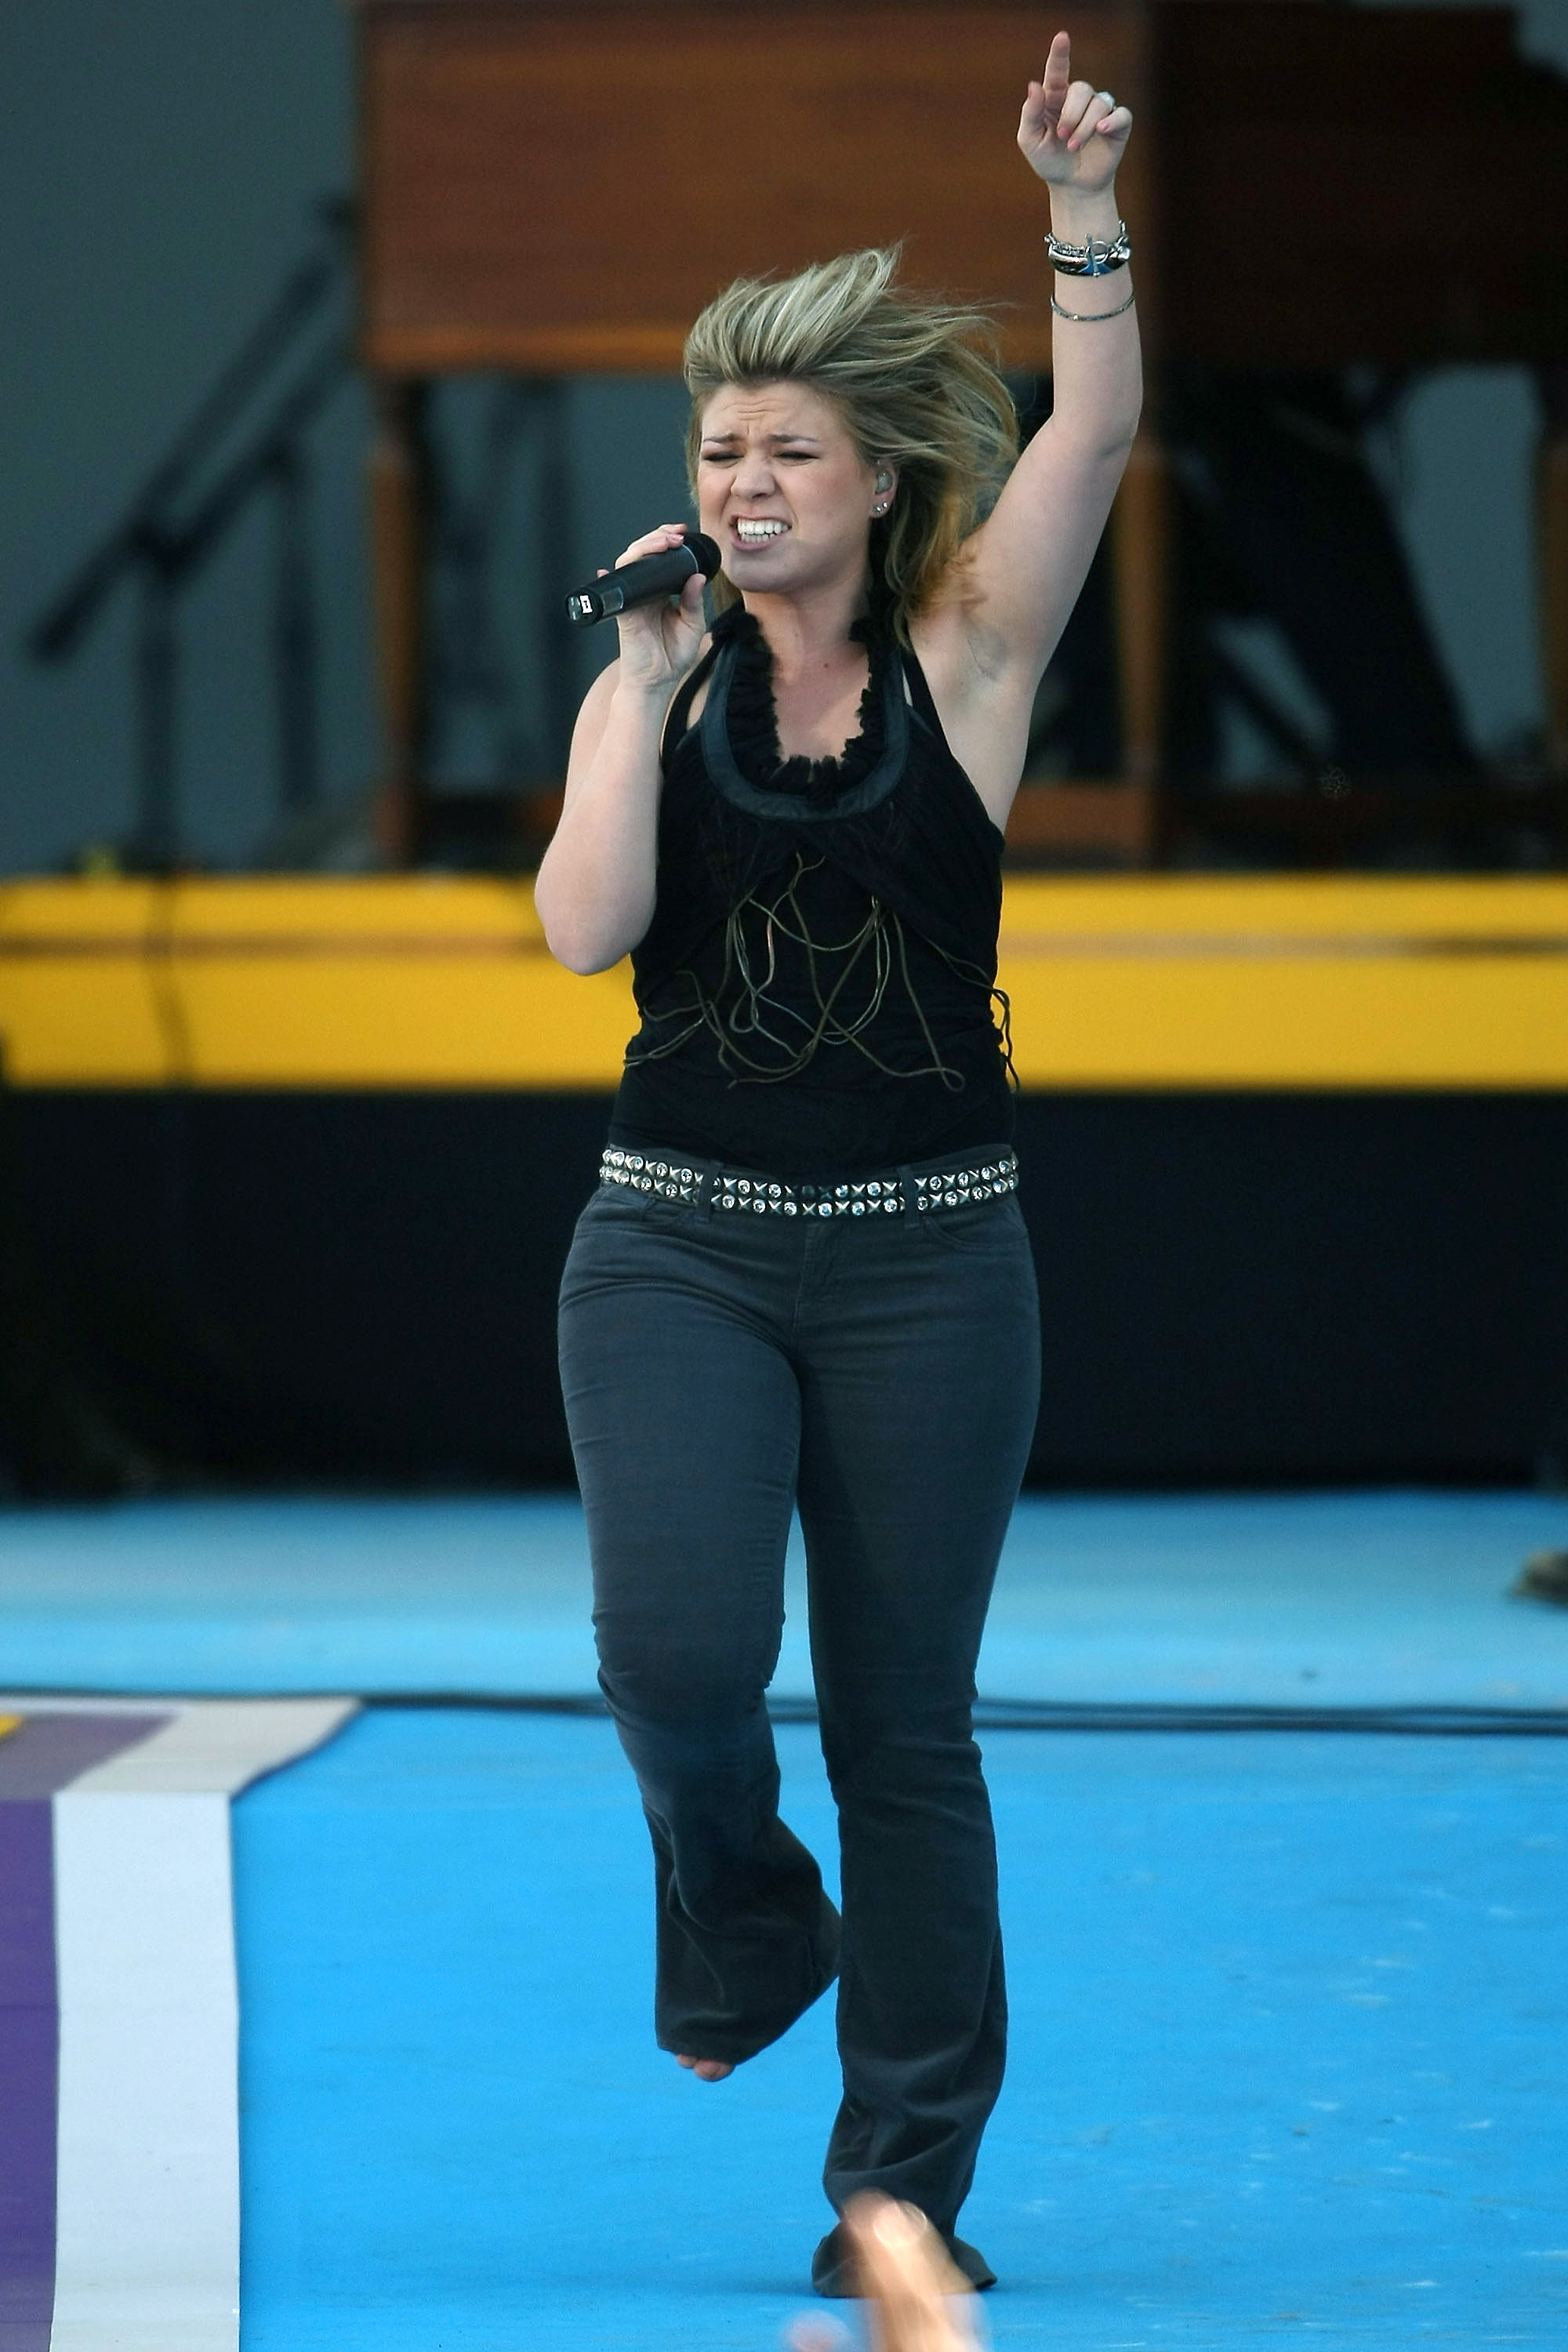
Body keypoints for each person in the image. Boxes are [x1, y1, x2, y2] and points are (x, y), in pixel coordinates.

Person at [537, 29, 1139, 2297]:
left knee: (911, 1725)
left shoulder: (969, 659)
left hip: (928, 1266)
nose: (750, 473)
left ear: (879, 485)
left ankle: (901, 2184)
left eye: (791, 445)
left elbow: (1089, 437)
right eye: (720, 446)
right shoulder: (661, 685)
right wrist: (628, 679)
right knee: (672, 1665)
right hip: (674, 1249)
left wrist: (1077, 216)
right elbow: (588, 932)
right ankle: (740, 1903)